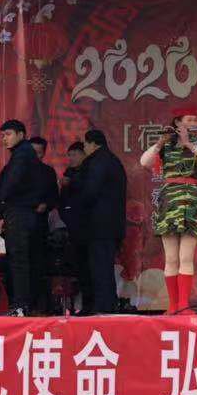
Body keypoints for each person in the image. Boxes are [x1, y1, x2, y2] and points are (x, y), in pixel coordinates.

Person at [140, 105, 197, 313]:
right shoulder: (166, 144)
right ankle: (173, 306)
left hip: (191, 204)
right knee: (171, 258)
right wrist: (159, 143)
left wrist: (188, 143)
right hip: (169, 204)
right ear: (177, 123)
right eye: (189, 120)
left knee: (186, 257)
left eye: (195, 120)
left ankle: (183, 305)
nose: (193, 123)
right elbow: (144, 162)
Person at [0, 118, 41, 316]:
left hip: (19, 213)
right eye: (2, 135)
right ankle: (22, 306)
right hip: (18, 213)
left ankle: (20, 306)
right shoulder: (20, 154)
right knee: (20, 261)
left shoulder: (23, 154)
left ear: (21, 134)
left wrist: (4, 208)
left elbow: (7, 185)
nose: (4, 139)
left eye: (8, 134)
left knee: (19, 262)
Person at [71, 128, 127, 314]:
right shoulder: (113, 161)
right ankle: (107, 305)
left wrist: (77, 204)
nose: (84, 148)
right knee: (105, 267)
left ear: (93, 144)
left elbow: (90, 192)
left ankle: (103, 307)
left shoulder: (97, 162)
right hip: (111, 224)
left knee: (99, 268)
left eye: (85, 145)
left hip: (99, 225)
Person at [27, 136, 61, 314]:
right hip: (20, 225)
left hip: (39, 226)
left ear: (44, 153)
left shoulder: (48, 172)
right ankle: (21, 306)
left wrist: (46, 205)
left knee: (39, 267)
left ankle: (41, 308)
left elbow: (55, 197)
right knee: (20, 267)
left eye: (39, 153)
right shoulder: (17, 170)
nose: (35, 156)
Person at [58, 141, 90, 310]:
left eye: (74, 155)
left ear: (84, 154)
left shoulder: (88, 171)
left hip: (87, 226)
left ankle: (89, 303)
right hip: (72, 226)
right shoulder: (68, 173)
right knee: (76, 266)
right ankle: (77, 305)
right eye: (69, 155)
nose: (71, 158)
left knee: (88, 265)